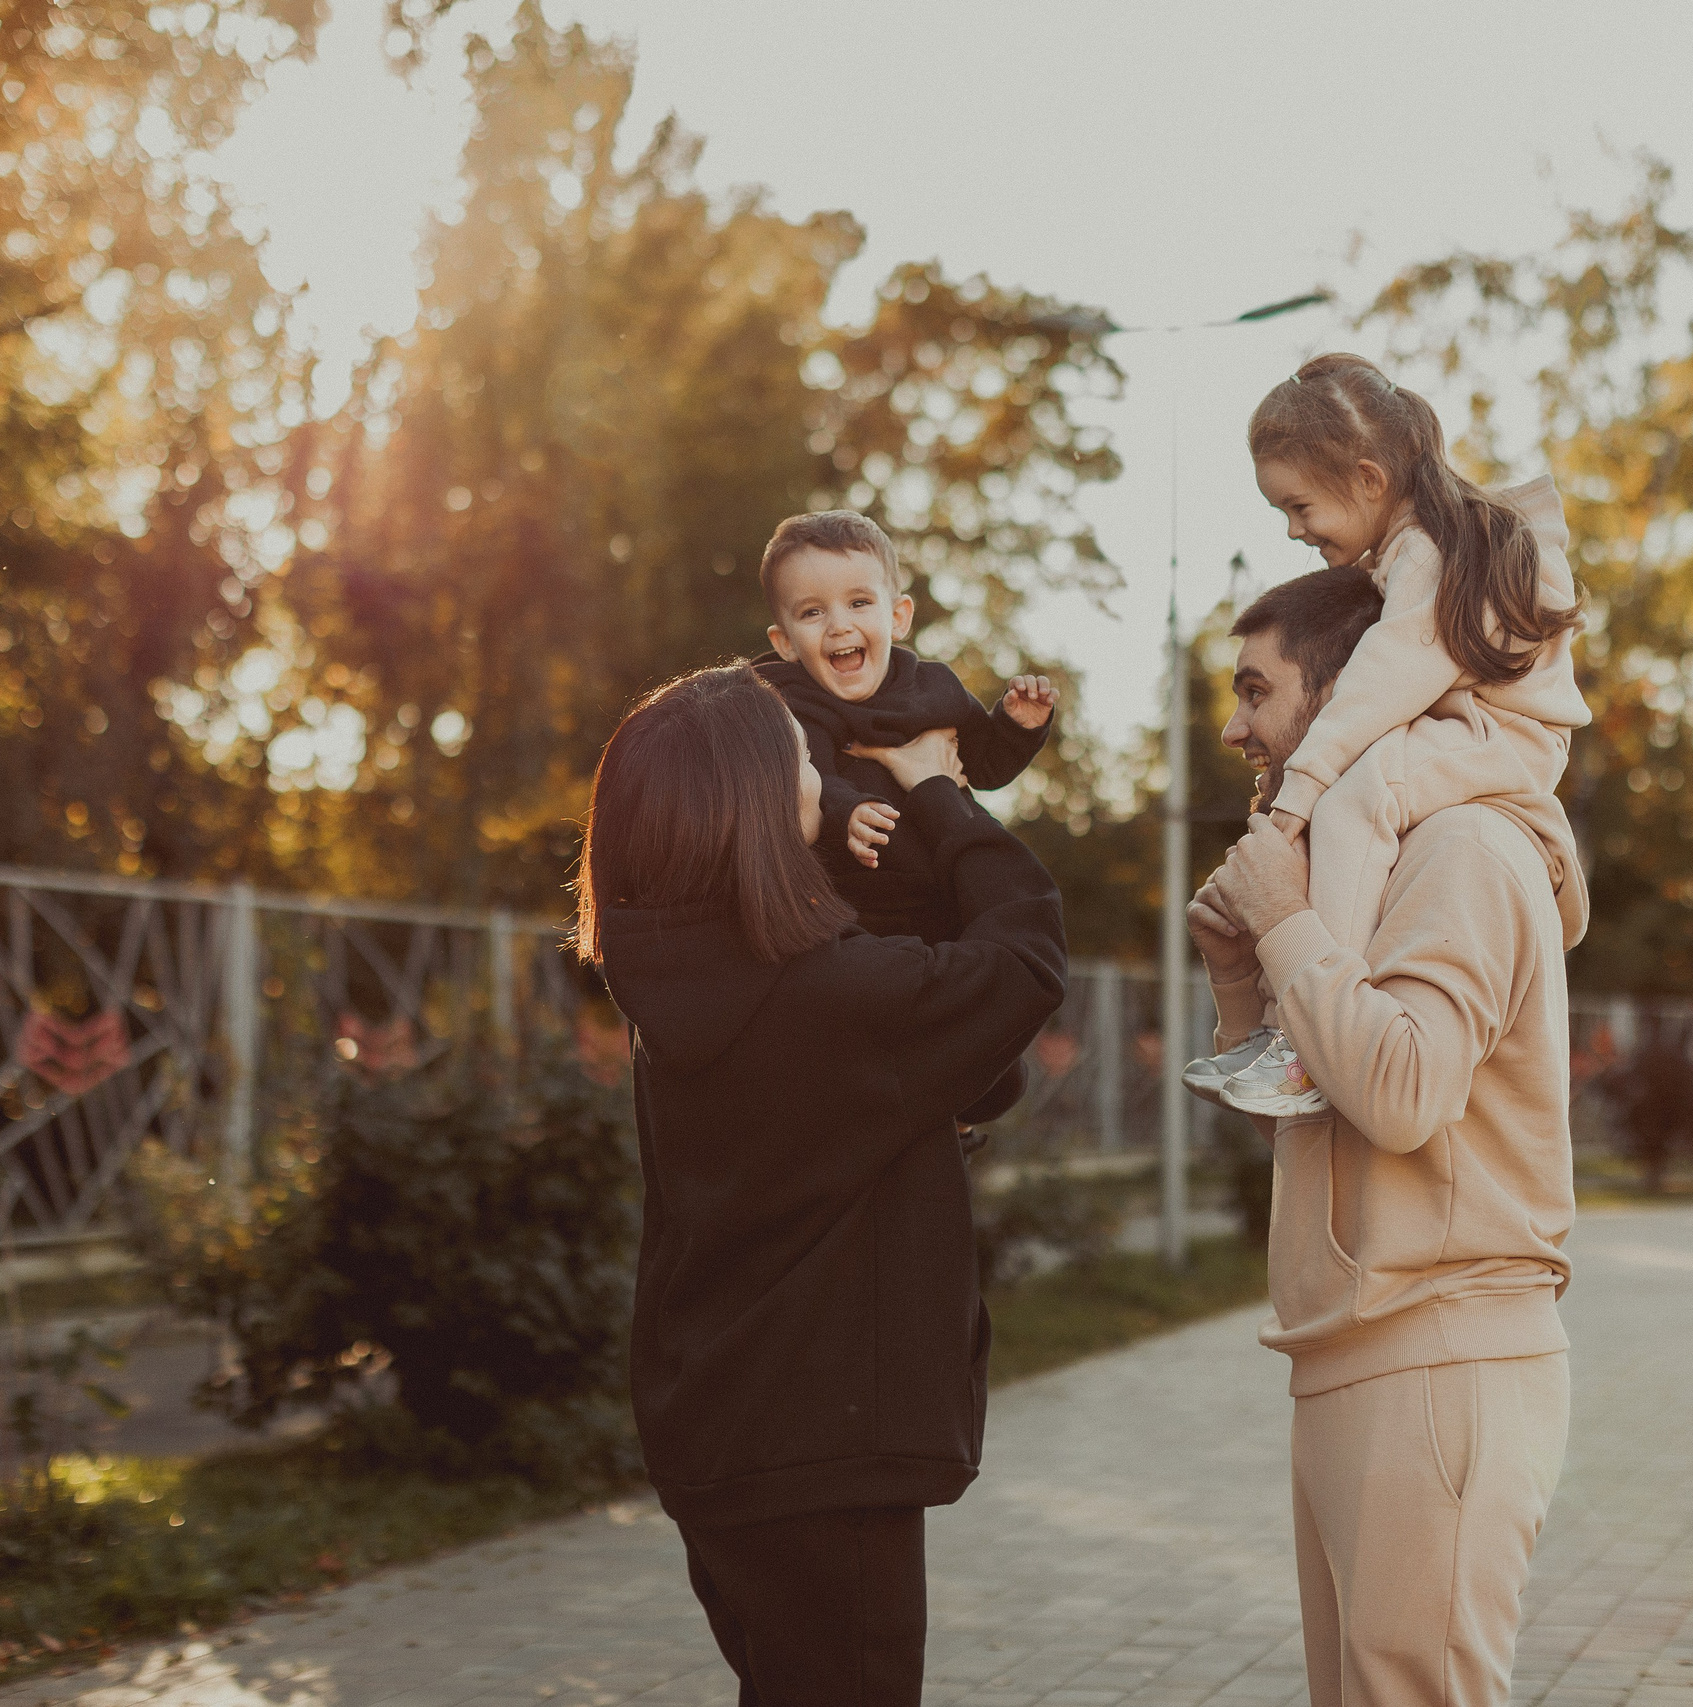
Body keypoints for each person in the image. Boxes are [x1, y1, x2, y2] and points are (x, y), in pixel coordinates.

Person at [576, 662, 1064, 1707]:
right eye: (799, 754)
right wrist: (940, 792)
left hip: (724, 1428)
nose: (819, 767)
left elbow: (967, 1062)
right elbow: (1024, 956)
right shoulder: (823, 997)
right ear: (754, 799)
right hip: (820, 1445)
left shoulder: (687, 987)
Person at [1196, 566, 1591, 1706]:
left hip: (1438, 1359)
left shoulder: (1459, 849)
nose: (1235, 725)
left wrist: (1283, 924)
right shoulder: (1364, 870)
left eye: (1254, 691)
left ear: (1345, 693)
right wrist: (1243, 973)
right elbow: (1323, 1101)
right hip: (1347, 1353)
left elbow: (1406, 1089)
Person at [1181, 354, 1587, 1119]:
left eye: (1300, 507)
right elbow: (1301, 1160)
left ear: (1369, 479)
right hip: (1489, 734)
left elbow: (1373, 690)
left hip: (1501, 739)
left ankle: (1300, 1045)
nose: (1296, 530)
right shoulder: (1428, 548)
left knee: (1352, 799)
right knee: (1353, 796)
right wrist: (1244, 975)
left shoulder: (1428, 556)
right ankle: (1292, 1033)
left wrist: (1296, 806)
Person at [751, 508, 1059, 1126]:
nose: (840, 625)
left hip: (939, 901)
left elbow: (983, 766)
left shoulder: (934, 689)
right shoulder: (790, 705)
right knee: (869, 1029)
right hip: (852, 906)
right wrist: (842, 812)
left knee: (994, 1074)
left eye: (859, 602)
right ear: (784, 641)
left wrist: (1018, 726)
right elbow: (798, 778)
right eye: (812, 612)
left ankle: (956, 1117)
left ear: (897, 615)